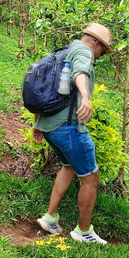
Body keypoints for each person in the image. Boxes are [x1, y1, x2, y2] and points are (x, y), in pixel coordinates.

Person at [33, 23, 112, 244]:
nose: (100, 56)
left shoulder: (61, 51)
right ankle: (83, 232)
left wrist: (37, 121)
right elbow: (80, 73)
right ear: (96, 43)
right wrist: (85, 98)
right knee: (90, 178)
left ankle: (50, 217)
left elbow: (43, 87)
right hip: (68, 128)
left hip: (49, 126)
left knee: (68, 167)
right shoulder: (84, 51)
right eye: (102, 51)